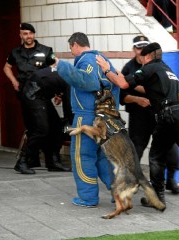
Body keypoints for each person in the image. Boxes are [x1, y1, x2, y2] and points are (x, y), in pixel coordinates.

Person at [96, 42, 179, 217]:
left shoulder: (148, 68)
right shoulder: (166, 70)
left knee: (156, 155)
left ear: (147, 57)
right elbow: (146, 88)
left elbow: (123, 84)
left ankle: (157, 198)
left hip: (169, 118)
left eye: (142, 57)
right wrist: (121, 76)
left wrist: (107, 70)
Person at [54, 32, 120, 207]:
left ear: (75, 44)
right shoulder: (104, 60)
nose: (72, 52)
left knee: (82, 157)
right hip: (105, 116)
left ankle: (87, 197)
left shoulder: (86, 60)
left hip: (87, 116)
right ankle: (118, 192)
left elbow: (86, 81)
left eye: (71, 48)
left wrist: (61, 65)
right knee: (102, 157)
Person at [3, 22, 70, 174]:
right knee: (39, 128)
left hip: (43, 94)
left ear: (34, 34)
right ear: (20, 35)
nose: (28, 36)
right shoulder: (15, 52)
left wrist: (58, 93)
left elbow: (55, 68)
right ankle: (26, 160)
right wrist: (14, 81)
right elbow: (6, 67)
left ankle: (52, 161)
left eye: (30, 33)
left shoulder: (46, 51)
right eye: (25, 34)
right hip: (27, 96)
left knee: (53, 126)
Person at [120, 35, 179, 194]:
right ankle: (132, 182)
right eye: (139, 48)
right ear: (134, 50)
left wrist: (142, 88)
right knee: (136, 149)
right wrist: (137, 99)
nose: (142, 52)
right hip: (139, 116)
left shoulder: (159, 65)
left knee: (170, 148)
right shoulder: (128, 68)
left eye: (145, 48)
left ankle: (171, 179)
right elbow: (121, 95)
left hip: (160, 113)